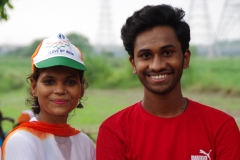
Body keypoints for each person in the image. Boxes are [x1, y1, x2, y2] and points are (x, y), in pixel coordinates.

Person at [96, 4, 240, 160]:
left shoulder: (221, 127)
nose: (157, 65)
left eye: (167, 53)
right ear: (133, 64)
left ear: (185, 58)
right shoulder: (114, 131)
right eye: (145, 55)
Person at [1, 33, 96, 160]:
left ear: (81, 88)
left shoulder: (85, 144)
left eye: (70, 82)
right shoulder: (22, 140)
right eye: (49, 82)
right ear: (34, 87)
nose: (60, 90)